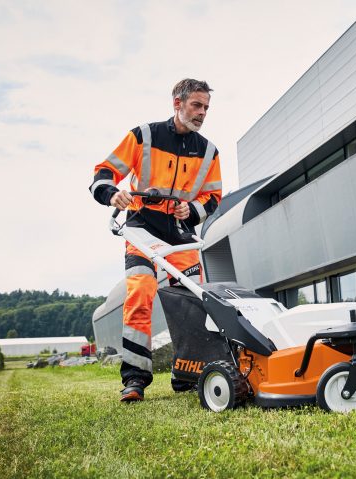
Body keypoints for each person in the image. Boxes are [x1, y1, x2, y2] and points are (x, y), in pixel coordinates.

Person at [89, 79, 222, 402]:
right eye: (196, 105)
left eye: (206, 107)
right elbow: (102, 173)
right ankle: (134, 379)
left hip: (179, 234)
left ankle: (187, 372)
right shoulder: (143, 137)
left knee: (192, 301)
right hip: (141, 229)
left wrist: (189, 209)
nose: (202, 112)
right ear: (177, 103)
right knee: (140, 292)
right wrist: (113, 195)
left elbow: (213, 197)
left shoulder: (208, 151)